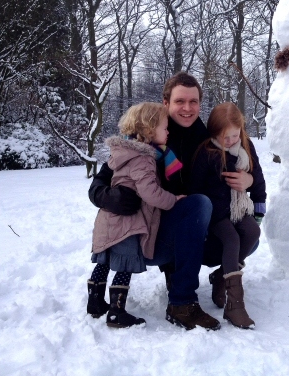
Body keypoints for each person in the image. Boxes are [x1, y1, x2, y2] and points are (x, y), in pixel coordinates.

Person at [88, 72, 256, 331]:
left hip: (206, 234)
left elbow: (246, 153)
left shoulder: (210, 137)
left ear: (200, 104)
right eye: (180, 101)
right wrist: (114, 198)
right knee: (198, 203)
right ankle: (182, 300)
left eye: (193, 102)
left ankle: (219, 278)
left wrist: (249, 180)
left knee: (247, 231)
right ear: (166, 102)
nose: (187, 108)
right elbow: (98, 186)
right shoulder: (147, 137)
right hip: (153, 236)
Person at [87, 103, 185, 328]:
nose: (168, 132)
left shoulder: (122, 152)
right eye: (164, 128)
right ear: (150, 130)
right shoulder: (143, 158)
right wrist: (173, 200)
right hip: (128, 223)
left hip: (108, 220)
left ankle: (94, 302)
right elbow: (150, 193)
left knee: (104, 261)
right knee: (124, 265)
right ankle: (116, 312)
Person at [190, 102, 266, 329]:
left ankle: (221, 276)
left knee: (253, 231)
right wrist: (201, 222)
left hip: (238, 208)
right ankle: (235, 306)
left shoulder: (246, 146)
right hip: (215, 214)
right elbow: (195, 187)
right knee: (231, 239)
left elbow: (258, 178)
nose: (231, 141)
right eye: (225, 137)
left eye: (235, 135)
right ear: (214, 133)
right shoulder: (206, 153)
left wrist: (258, 210)